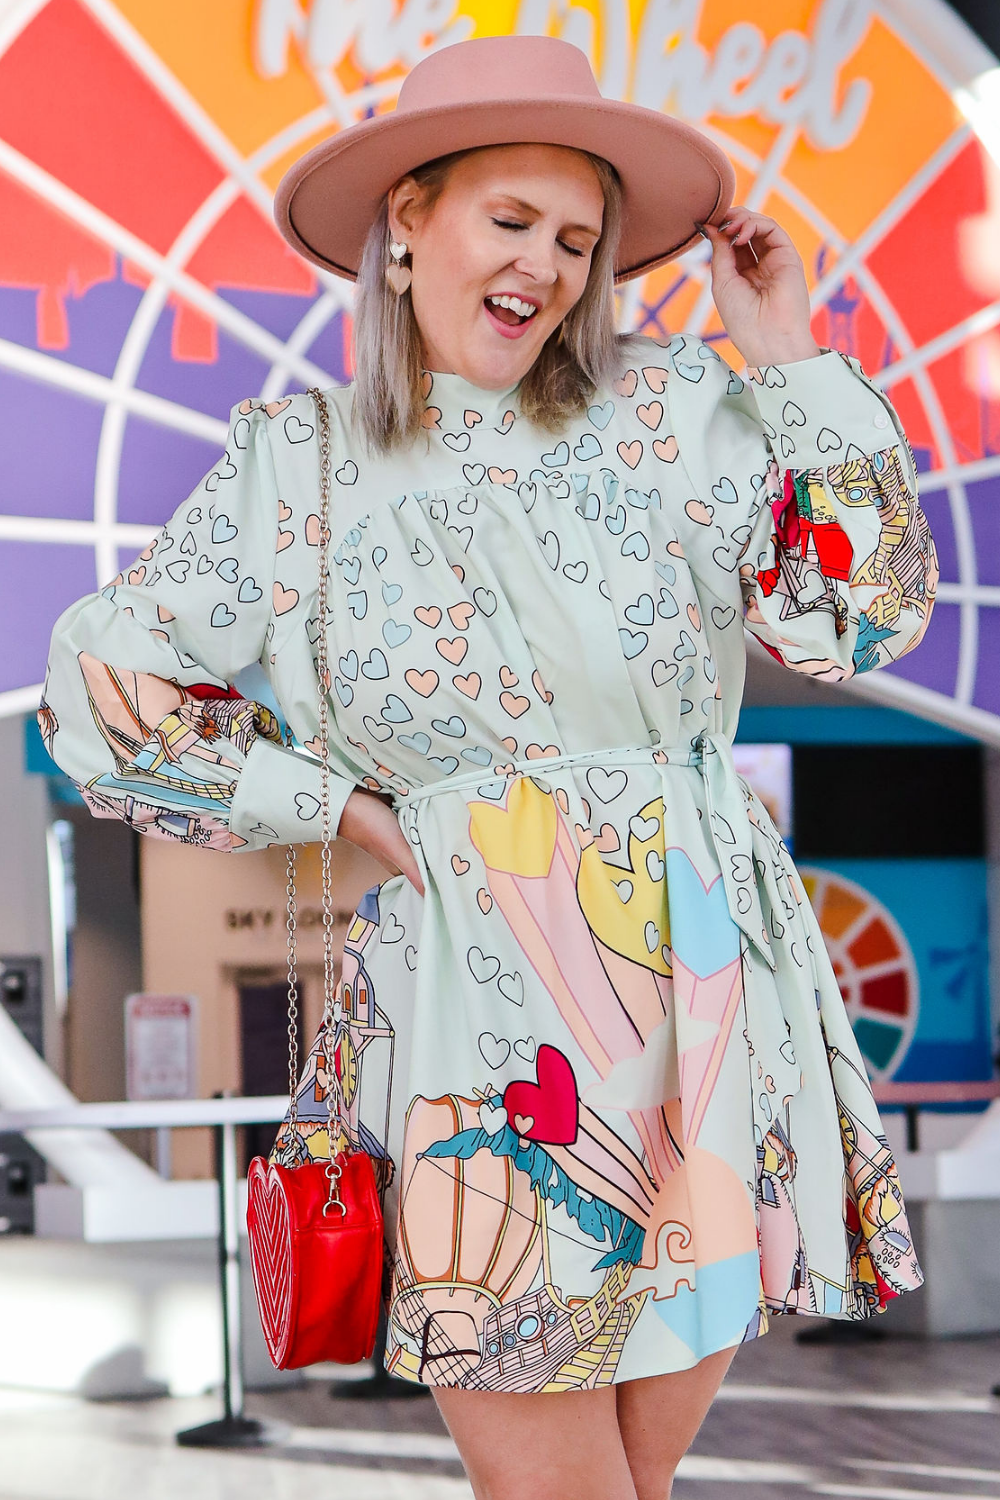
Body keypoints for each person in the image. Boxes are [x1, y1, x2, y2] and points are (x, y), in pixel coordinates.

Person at [40, 34, 936, 1500]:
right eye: (511, 220)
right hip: (483, 1016)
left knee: (627, 1486)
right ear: (408, 220)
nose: (548, 267)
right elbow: (99, 687)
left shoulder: (673, 414)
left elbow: (862, 620)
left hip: (708, 993)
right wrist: (329, 806)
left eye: (579, 240)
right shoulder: (302, 464)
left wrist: (789, 362)